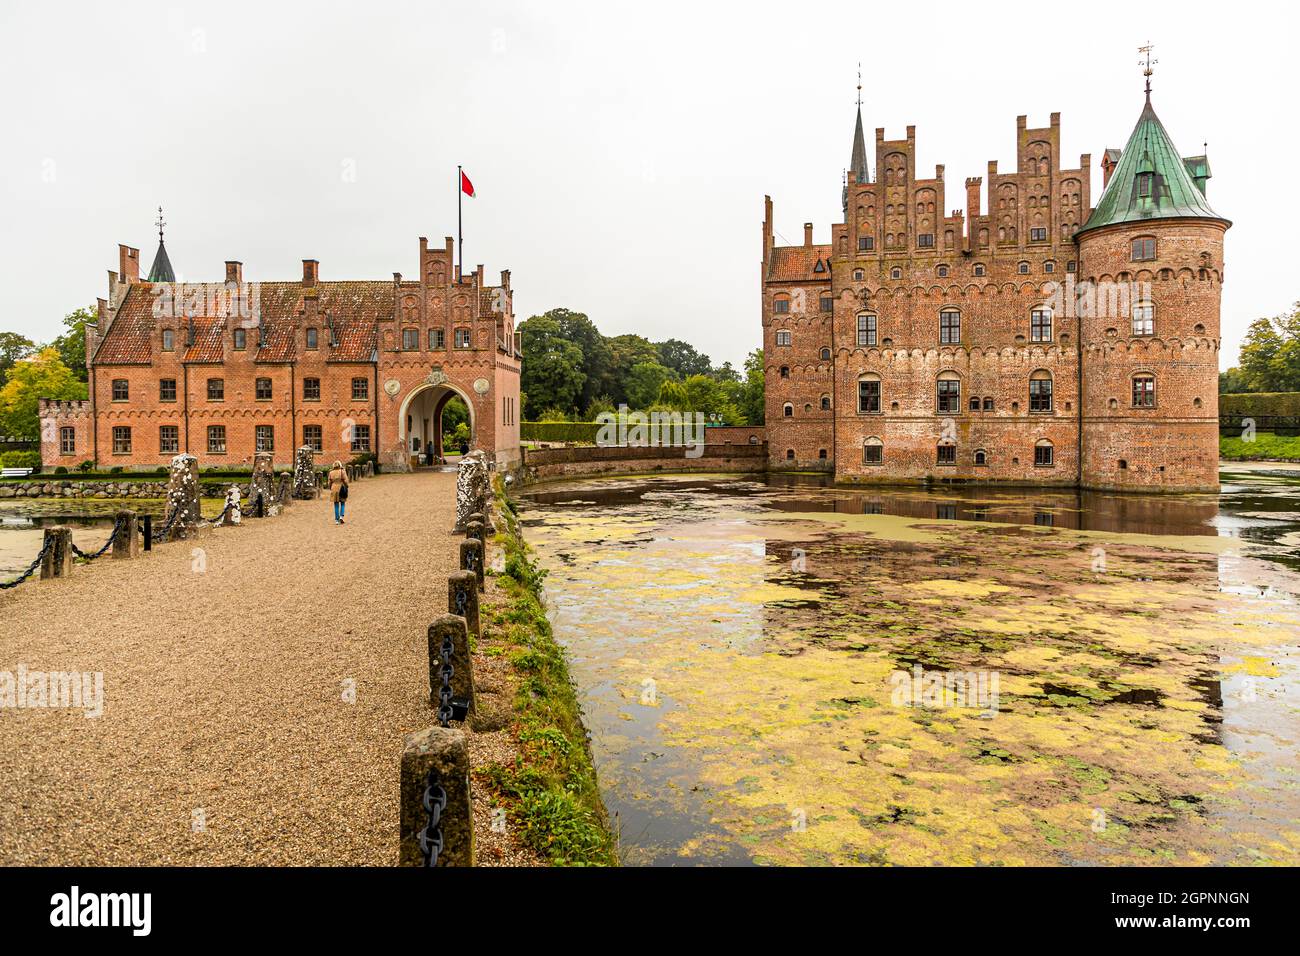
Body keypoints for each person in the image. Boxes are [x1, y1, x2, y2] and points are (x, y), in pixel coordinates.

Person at [328, 460, 349, 524]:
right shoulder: (342, 471)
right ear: (340, 465)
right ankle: (341, 517)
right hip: (341, 488)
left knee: (336, 504)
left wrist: (330, 488)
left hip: (334, 488)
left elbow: (329, 482)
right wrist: (347, 486)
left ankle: (336, 520)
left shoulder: (331, 472)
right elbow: (345, 480)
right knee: (343, 503)